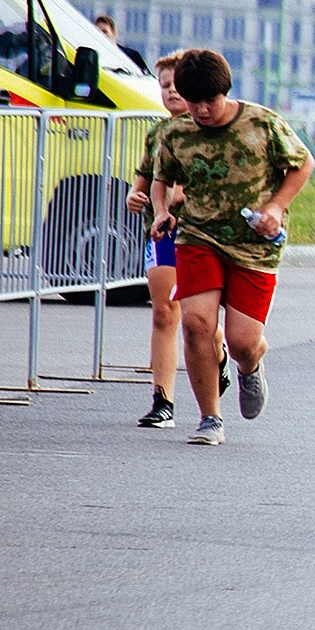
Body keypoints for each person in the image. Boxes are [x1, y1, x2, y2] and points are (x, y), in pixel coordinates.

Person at [148, 49, 314, 446]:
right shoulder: (176, 133)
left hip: (254, 244)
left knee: (241, 341)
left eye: (211, 101)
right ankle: (209, 418)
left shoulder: (262, 123)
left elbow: (303, 163)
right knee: (195, 323)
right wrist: (160, 211)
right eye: (194, 102)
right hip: (198, 238)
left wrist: (276, 206)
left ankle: (250, 365)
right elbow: (160, 180)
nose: (203, 110)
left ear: (226, 92)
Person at [126, 51, 223, 428]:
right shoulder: (159, 134)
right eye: (164, 86)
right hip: (164, 230)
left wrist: (181, 194)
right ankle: (162, 398)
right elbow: (144, 180)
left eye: (177, 86)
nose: (171, 94)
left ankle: (218, 359)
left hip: (203, 231)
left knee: (202, 321)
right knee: (165, 312)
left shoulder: (213, 133)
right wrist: (137, 196)